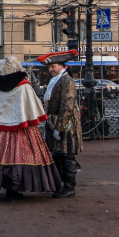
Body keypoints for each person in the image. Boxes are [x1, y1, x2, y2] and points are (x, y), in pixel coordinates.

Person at [0, 56, 61, 201]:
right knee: (26, 155)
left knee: (1, 156)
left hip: (1, 128)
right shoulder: (24, 85)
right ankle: (21, 186)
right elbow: (33, 105)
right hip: (23, 127)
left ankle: (9, 189)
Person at [37, 50, 82, 199]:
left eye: (53, 66)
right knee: (57, 156)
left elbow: (67, 106)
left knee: (67, 156)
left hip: (66, 126)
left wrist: (60, 127)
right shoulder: (56, 80)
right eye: (49, 67)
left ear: (63, 66)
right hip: (56, 123)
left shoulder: (66, 81)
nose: (50, 69)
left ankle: (69, 188)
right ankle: (59, 185)